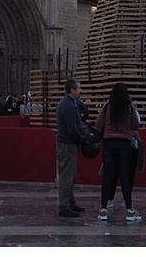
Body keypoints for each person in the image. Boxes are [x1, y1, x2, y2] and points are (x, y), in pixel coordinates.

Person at [95, 83, 141, 222]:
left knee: (108, 177)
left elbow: (98, 124)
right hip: (124, 145)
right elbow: (135, 126)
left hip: (108, 143)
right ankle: (129, 210)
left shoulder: (107, 107)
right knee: (124, 177)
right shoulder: (129, 108)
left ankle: (103, 210)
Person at [55, 78, 87, 217]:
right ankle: (64, 205)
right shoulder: (67, 105)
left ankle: (71, 202)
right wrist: (83, 140)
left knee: (71, 175)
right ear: (72, 90)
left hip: (70, 143)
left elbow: (84, 110)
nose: (81, 90)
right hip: (68, 143)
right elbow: (71, 128)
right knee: (67, 176)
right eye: (79, 88)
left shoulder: (72, 102)